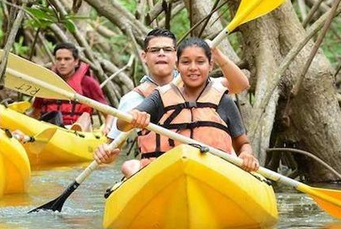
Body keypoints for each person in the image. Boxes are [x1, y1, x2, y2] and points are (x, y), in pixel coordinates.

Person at [95, 30, 250, 176]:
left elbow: (241, 85)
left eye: (167, 49)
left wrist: (217, 55)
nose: (161, 53)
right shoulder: (135, 99)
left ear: (175, 56)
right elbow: (112, 148)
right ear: (144, 56)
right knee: (130, 166)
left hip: (211, 167)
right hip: (163, 169)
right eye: (155, 50)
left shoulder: (205, 85)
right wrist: (105, 153)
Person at [31, 42, 107, 129]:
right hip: (49, 128)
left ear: (76, 61)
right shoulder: (47, 83)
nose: (62, 63)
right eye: (59, 59)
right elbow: (35, 113)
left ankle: (77, 129)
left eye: (67, 59)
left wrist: (107, 128)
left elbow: (108, 113)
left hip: (77, 131)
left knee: (85, 116)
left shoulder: (88, 83)